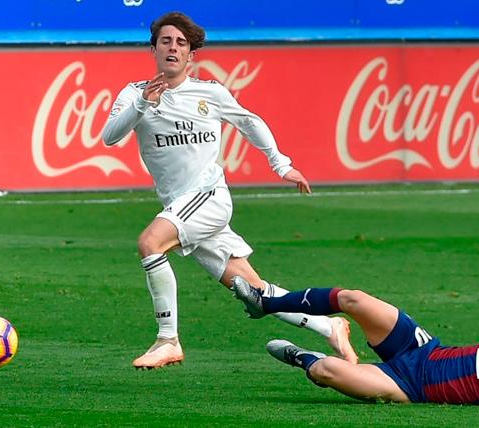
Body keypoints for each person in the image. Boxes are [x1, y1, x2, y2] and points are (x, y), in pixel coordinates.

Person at [102, 11, 357, 369]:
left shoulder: (210, 93)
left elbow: (250, 123)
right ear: (153, 49)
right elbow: (110, 136)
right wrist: (143, 102)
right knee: (253, 290)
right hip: (181, 206)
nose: (173, 48)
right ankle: (328, 326)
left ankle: (167, 340)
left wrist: (281, 164)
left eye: (181, 43)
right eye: (166, 41)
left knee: (150, 243)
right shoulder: (134, 94)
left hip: (208, 198)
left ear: (191, 55)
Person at [232, 249, 479, 413]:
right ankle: (266, 304)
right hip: (424, 348)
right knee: (353, 299)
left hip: (408, 387)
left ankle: (302, 357)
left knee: (327, 370)